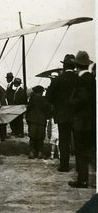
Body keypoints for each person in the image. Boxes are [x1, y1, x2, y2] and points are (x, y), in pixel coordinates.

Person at [45, 54, 78, 172]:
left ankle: (64, 166)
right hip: (77, 115)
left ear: (64, 66)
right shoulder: (79, 79)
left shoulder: (58, 79)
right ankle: (80, 167)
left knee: (64, 140)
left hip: (62, 115)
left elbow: (48, 97)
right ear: (75, 66)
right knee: (78, 141)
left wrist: (58, 104)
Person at [68, 51, 95, 188]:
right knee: (89, 151)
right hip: (90, 121)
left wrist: (71, 102)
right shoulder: (91, 78)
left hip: (81, 122)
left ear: (77, 66)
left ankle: (83, 180)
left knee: (81, 151)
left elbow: (82, 99)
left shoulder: (82, 79)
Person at [25, 85, 51, 159]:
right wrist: (47, 117)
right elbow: (48, 111)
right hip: (41, 121)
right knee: (40, 137)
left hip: (32, 120)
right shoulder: (45, 100)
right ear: (41, 92)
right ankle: (40, 152)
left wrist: (28, 119)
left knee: (32, 137)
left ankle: (31, 152)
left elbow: (28, 110)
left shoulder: (32, 100)